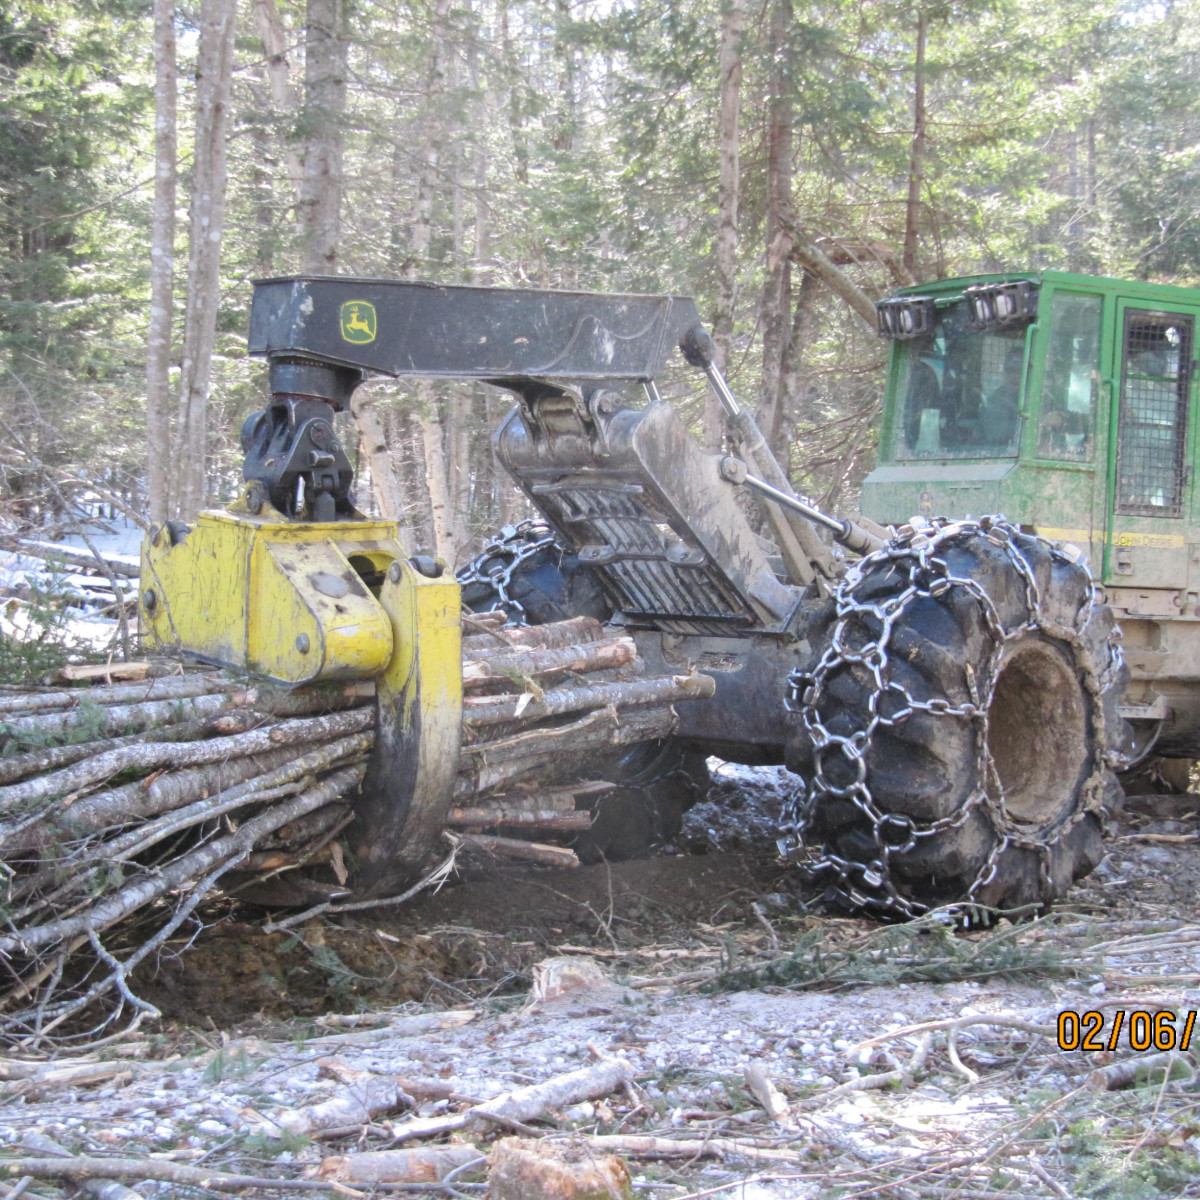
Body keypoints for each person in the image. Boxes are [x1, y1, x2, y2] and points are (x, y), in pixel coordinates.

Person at [981, 345, 1023, 446]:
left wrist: (1060, 417)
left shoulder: (1039, 398)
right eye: (1010, 371)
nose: (1015, 376)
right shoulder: (994, 399)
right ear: (1004, 372)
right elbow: (995, 434)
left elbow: (1066, 421)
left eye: (1020, 371)